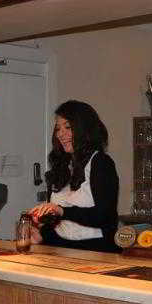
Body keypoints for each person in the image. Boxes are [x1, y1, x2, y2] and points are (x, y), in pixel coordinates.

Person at [29, 100, 119, 252]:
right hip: (60, 249)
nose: (60, 134)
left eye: (68, 127)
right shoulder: (61, 166)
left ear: (85, 129)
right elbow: (60, 225)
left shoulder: (101, 162)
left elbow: (104, 216)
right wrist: (41, 234)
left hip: (96, 250)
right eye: (58, 128)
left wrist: (62, 211)